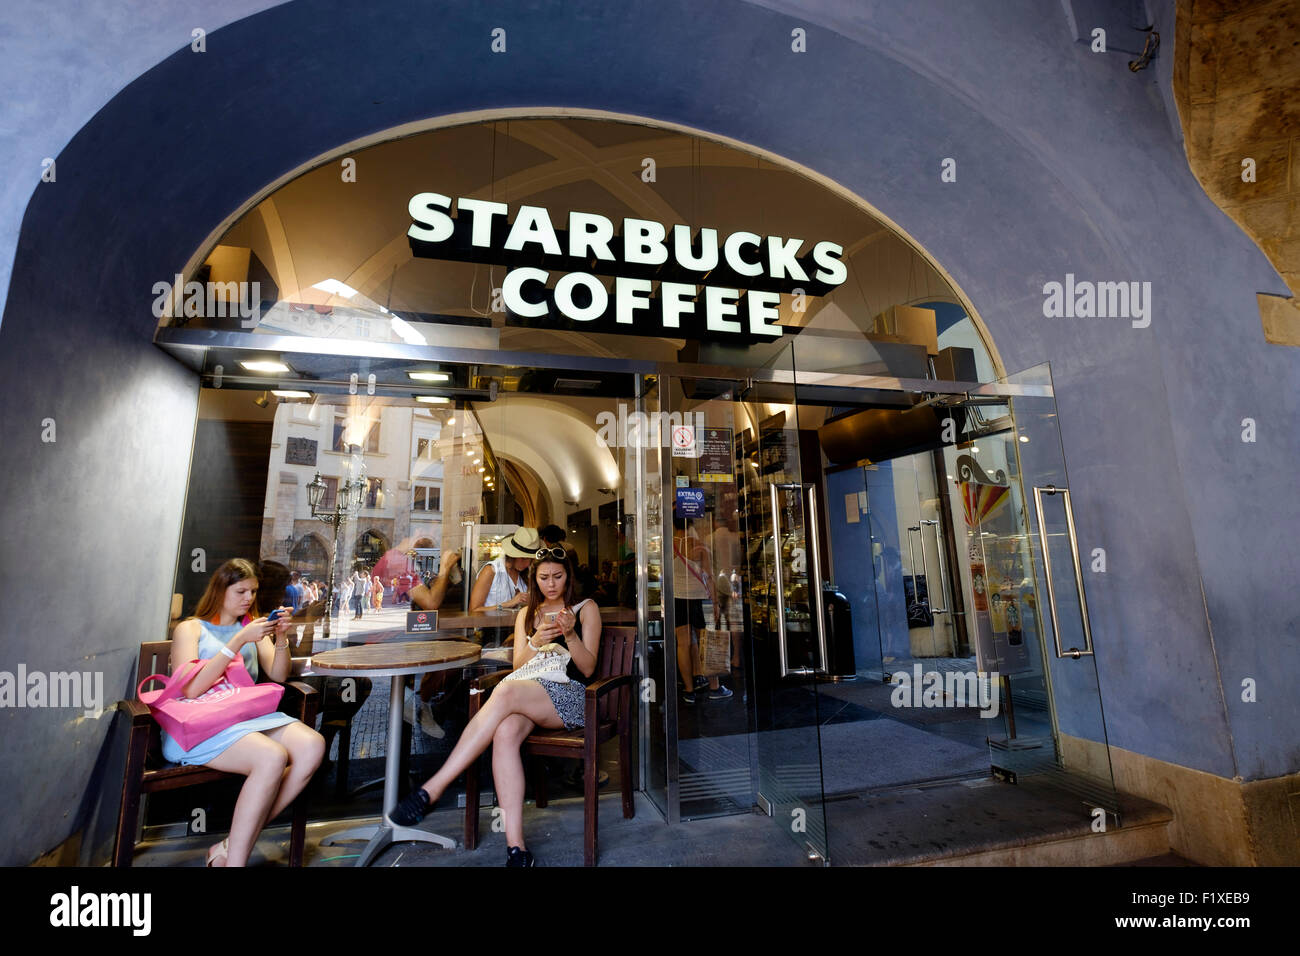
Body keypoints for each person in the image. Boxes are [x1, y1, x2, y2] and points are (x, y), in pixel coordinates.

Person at [391, 546, 601, 866]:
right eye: (544, 577)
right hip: (529, 692)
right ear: (535, 579)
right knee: (503, 732)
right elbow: (519, 666)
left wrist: (570, 635)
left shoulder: (586, 609)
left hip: (570, 698)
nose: (551, 584)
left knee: (503, 694)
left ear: (568, 577)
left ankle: (433, 787)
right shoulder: (526, 614)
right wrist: (535, 641)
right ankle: (517, 849)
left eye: (558, 576)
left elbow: (587, 669)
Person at [165, 558, 325, 866]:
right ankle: (236, 861)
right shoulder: (191, 628)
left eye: (252, 591)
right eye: (240, 591)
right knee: (272, 757)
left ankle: (230, 844)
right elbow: (191, 689)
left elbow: (278, 675)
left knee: (312, 746)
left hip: (244, 717)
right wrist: (238, 641)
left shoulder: (252, 627)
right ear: (220, 590)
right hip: (200, 724)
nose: (248, 598)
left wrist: (279, 638)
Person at [674, 520, 731, 702]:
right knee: (706, 641)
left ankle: (689, 691)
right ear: (691, 524)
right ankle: (714, 687)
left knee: (683, 644)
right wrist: (715, 602)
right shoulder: (699, 545)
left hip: (678, 598)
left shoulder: (667, 544)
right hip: (699, 598)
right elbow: (709, 576)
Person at [468, 527, 539, 614]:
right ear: (513, 555)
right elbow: (473, 610)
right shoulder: (491, 570)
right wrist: (508, 604)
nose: (527, 564)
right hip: (490, 626)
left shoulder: (527, 573)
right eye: (523, 558)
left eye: (531, 559)